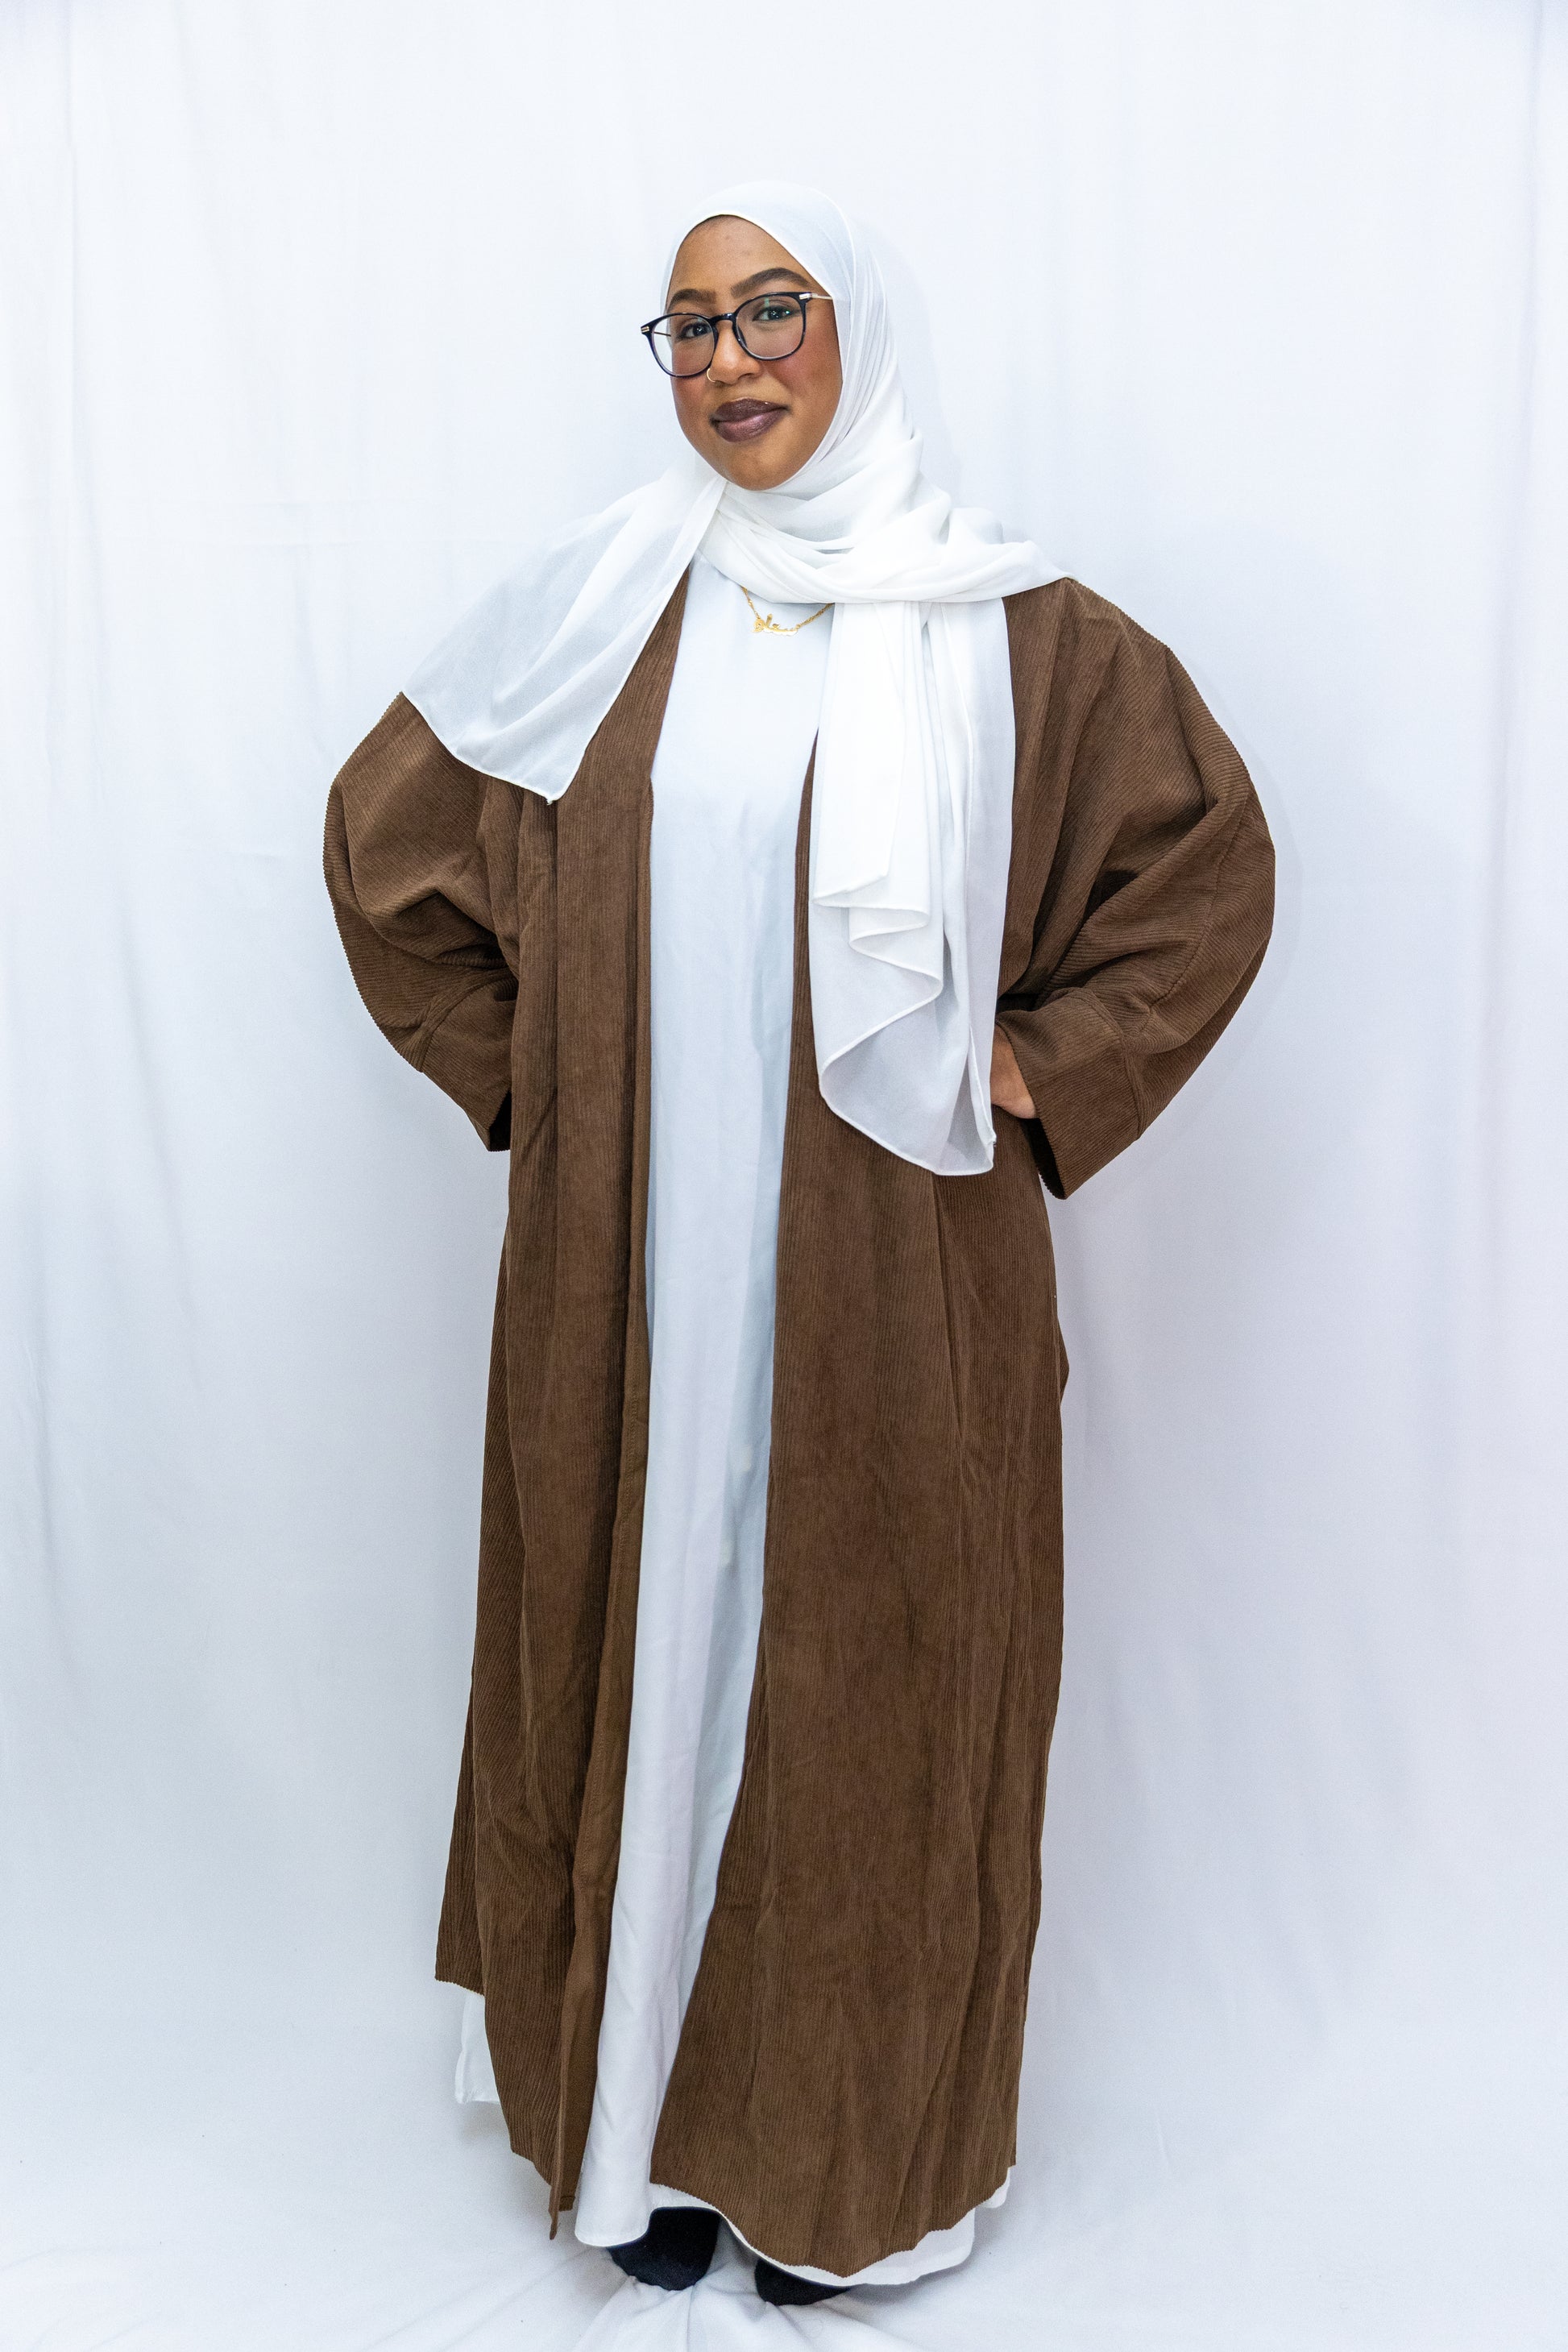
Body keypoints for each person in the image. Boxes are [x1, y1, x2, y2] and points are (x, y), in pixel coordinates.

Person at [323, 182, 1274, 2306]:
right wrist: (540, 1082)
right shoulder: (598, 612)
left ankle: (838, 2173)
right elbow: (384, 856)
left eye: (773, 310)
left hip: (893, 1284)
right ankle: (639, 2148)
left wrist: (1042, 1065)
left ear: (862, 334)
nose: (728, 359)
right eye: (688, 325)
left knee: (875, 1693)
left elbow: (1204, 878)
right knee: (626, 1651)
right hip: (630, 1284)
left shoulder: (1026, 637)